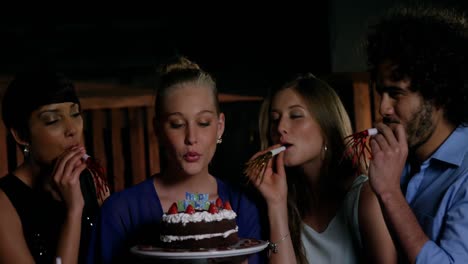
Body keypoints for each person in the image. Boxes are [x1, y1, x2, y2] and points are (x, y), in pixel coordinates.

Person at [87, 56, 264, 264]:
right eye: (177, 124)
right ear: (158, 130)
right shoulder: (121, 211)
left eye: (204, 123)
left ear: (220, 126)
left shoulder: (243, 207)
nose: (191, 138)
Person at [245, 73, 396, 263]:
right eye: (275, 119)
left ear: (327, 125)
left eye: (296, 115)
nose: (280, 127)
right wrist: (276, 204)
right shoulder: (280, 200)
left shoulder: (365, 198)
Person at [365, 4, 468, 263]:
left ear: (437, 94)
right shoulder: (397, 161)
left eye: (396, 93)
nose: (383, 108)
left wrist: (389, 192)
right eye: (381, 93)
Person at [0, 70, 109, 264]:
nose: (72, 129)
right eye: (53, 120)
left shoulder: (90, 177)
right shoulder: (5, 203)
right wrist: (74, 210)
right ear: (21, 135)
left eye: (75, 114)